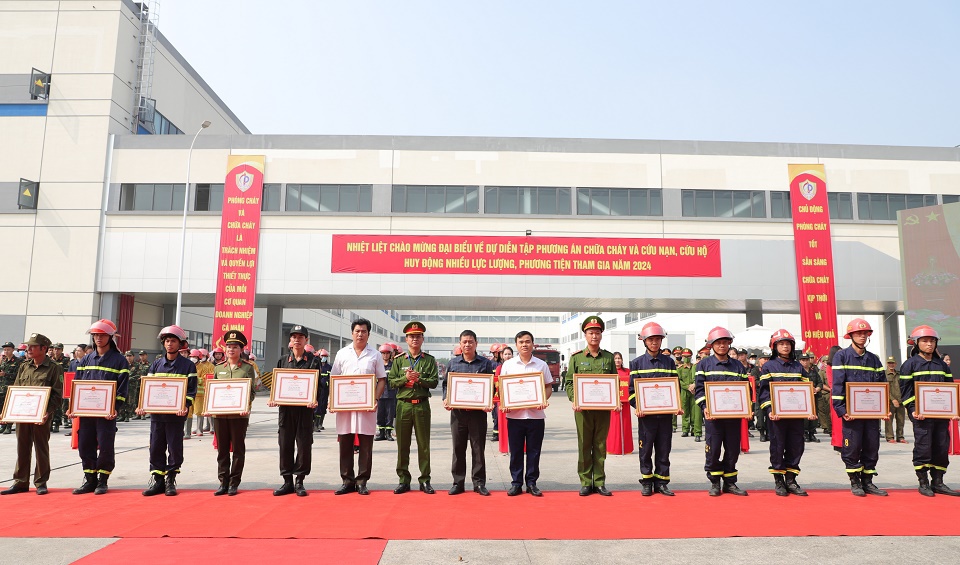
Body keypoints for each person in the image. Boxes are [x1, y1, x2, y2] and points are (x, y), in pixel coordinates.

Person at [70, 320, 129, 495]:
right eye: (95, 335)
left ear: (110, 337)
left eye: (102, 335)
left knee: (105, 446)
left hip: (107, 414)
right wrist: (73, 406)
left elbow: (122, 387)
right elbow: (77, 384)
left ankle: (102, 480)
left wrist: (115, 407)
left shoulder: (119, 361)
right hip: (86, 412)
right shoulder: (86, 359)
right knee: (85, 444)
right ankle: (89, 480)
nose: (98, 338)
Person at [899, 325, 959, 497]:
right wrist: (913, 410)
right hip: (921, 416)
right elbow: (906, 392)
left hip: (941, 417)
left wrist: (954, 409)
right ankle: (923, 482)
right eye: (925, 341)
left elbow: (950, 389)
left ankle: (938, 482)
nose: (929, 344)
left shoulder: (942, 365)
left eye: (932, 341)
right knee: (923, 448)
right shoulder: (909, 365)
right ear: (916, 343)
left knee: (941, 447)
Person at [329, 319, 387, 496]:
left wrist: (375, 399)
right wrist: (332, 401)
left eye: (363, 331)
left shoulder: (375, 355)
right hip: (345, 408)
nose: (360, 334)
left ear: (368, 334)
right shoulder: (342, 353)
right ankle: (347, 481)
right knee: (345, 443)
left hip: (366, 407)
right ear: (352, 333)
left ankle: (362, 481)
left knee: (366, 444)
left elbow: (382, 379)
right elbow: (334, 378)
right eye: (357, 331)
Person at [0, 333, 63, 495]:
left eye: (33, 346)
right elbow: (17, 390)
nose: (29, 349)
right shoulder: (24, 366)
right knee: (22, 447)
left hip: (41, 417)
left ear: (44, 348)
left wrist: (47, 413)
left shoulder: (54, 368)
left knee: (41, 448)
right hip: (23, 415)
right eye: (28, 346)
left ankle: (41, 482)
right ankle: (20, 482)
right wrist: (7, 412)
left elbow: (57, 395)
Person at [831, 318, 888, 497]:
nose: (862, 336)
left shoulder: (874, 359)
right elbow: (838, 385)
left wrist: (884, 408)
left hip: (871, 414)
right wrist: (841, 410)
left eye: (865, 333)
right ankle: (855, 481)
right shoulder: (842, 356)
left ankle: (868, 481)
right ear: (851, 336)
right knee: (853, 447)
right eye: (858, 333)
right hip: (851, 414)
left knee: (872, 446)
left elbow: (882, 385)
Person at [139, 325, 197, 496]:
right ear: (163, 344)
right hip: (157, 416)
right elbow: (147, 389)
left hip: (176, 417)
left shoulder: (188, 366)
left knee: (174, 448)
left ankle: (170, 480)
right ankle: (158, 481)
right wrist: (143, 404)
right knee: (155, 447)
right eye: (167, 341)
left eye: (173, 341)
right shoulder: (156, 364)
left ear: (180, 344)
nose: (170, 344)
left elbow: (192, 390)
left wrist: (185, 406)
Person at [759, 330, 817, 496]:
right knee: (777, 447)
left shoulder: (798, 367)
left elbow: (807, 390)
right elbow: (764, 391)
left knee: (796, 446)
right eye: (781, 344)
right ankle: (779, 481)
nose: (785, 346)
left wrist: (810, 410)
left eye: (788, 344)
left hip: (796, 416)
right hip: (777, 417)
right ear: (775, 347)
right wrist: (770, 410)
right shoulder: (769, 366)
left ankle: (791, 480)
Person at [565, 317, 617, 496]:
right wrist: (575, 400)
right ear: (585, 335)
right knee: (584, 444)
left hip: (603, 410)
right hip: (583, 411)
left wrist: (615, 400)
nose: (594, 336)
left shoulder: (609, 358)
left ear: (601, 335)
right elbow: (570, 382)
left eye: (597, 332)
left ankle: (600, 481)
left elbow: (614, 383)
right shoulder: (577, 358)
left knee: (601, 445)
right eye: (590, 333)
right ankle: (586, 481)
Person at [694, 326, 749, 496]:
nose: (722, 346)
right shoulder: (703, 365)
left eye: (725, 342)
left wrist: (746, 407)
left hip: (733, 417)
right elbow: (699, 390)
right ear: (711, 345)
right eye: (719, 343)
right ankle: (715, 482)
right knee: (714, 449)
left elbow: (746, 388)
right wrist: (705, 407)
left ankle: (730, 482)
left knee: (732, 449)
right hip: (713, 417)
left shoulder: (738, 366)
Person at [269, 325, 321, 496]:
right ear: (290, 340)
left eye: (301, 337)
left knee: (304, 445)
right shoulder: (283, 360)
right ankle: (287, 481)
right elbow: (276, 385)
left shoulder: (314, 361)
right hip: (286, 411)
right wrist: (273, 398)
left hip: (305, 411)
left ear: (306, 340)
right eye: (294, 337)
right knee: (285, 445)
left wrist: (315, 400)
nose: (297, 339)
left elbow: (319, 386)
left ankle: (300, 481)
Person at [628, 321, 680, 496]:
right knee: (646, 448)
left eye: (658, 339)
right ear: (644, 341)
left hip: (665, 416)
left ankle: (662, 482)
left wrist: (677, 405)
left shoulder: (669, 363)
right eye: (651, 339)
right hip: (646, 417)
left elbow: (675, 387)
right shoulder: (636, 363)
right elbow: (631, 391)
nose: (654, 343)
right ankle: (647, 481)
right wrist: (638, 406)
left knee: (664, 448)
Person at [388, 321, 439, 494]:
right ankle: (403, 479)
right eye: (411, 336)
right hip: (403, 406)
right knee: (403, 444)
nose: (415, 339)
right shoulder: (398, 360)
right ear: (406, 339)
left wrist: (419, 380)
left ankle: (425, 479)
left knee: (423, 445)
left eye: (418, 336)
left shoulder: (429, 360)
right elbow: (391, 382)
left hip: (422, 406)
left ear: (422, 339)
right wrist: (405, 378)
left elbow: (434, 382)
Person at [500, 330, 553, 497]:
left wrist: (543, 399)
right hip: (515, 416)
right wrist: (505, 403)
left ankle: (531, 483)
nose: (524, 344)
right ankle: (516, 483)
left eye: (528, 341)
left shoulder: (541, 365)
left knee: (534, 451)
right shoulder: (508, 365)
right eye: (521, 342)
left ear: (533, 344)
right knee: (515, 451)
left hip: (536, 416)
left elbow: (548, 386)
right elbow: (502, 388)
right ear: (516, 345)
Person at [443, 330, 496, 496]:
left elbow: (491, 386)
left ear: (476, 344)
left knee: (478, 448)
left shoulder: (485, 363)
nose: (467, 344)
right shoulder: (453, 363)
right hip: (458, 414)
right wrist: (446, 399)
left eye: (470, 341)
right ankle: (458, 483)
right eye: (464, 341)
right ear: (460, 344)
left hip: (478, 414)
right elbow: (446, 385)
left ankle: (479, 483)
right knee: (458, 448)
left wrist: (488, 402)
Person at [206, 330, 255, 496]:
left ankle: (234, 482)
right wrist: (209, 407)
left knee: (238, 450)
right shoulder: (219, 369)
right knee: (222, 450)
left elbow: (252, 392)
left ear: (241, 350)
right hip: (220, 416)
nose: (231, 350)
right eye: (228, 347)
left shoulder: (247, 368)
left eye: (235, 347)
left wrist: (246, 406)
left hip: (239, 416)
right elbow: (213, 391)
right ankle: (223, 482)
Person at [607, 351, 634, 454]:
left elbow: (631, 385)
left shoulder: (628, 372)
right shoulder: (609, 372)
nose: (617, 360)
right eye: (615, 358)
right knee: (613, 426)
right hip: (613, 404)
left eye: (619, 358)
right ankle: (612, 448)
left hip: (625, 404)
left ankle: (626, 448)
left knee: (625, 425)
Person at [677, 348, 701, 442]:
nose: (686, 358)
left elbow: (697, 377)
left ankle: (696, 431)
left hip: (695, 391)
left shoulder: (695, 367)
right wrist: (688, 387)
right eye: (684, 356)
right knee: (685, 411)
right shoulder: (680, 369)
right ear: (682, 357)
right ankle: (685, 429)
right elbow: (679, 381)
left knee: (696, 412)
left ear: (691, 357)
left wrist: (694, 385)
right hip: (685, 391)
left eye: (688, 356)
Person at [375, 343, 397, 441]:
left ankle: (388, 433)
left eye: (387, 353)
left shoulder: (394, 366)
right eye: (383, 353)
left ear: (390, 354)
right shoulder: (377, 366)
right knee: (380, 414)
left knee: (390, 414)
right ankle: (381, 433)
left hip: (391, 393)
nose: (385, 355)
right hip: (380, 394)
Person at [0, 341, 23, 435]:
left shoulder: (18, 361)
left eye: (8, 349)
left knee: (9, 408)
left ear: (13, 350)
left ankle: (9, 426)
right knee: (2, 408)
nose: (6, 351)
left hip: (11, 388)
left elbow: (18, 375)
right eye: (5, 350)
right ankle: (3, 425)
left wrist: (5, 374)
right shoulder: (3, 361)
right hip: (2, 388)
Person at [799, 352, 822, 443]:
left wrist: (817, 389)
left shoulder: (813, 372)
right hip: (803, 398)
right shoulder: (798, 373)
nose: (805, 362)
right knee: (805, 417)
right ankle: (804, 434)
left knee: (815, 414)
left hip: (814, 396)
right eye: (803, 360)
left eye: (807, 360)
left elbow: (820, 382)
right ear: (800, 361)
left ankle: (812, 433)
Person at [884, 355, 906, 444]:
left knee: (901, 420)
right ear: (887, 364)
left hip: (900, 400)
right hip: (889, 401)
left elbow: (903, 387)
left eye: (892, 363)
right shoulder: (884, 375)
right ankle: (890, 437)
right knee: (889, 420)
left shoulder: (899, 374)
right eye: (889, 363)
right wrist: (892, 399)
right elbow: (885, 388)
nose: (891, 365)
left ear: (895, 364)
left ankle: (900, 437)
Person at [194, 350, 216, 436]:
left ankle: (211, 427)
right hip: (193, 393)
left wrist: (196, 380)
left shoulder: (209, 366)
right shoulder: (190, 365)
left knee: (205, 410)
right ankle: (197, 428)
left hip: (204, 391)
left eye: (203, 355)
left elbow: (207, 378)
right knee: (195, 411)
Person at [316, 348, 331, 432]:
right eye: (323, 356)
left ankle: (320, 424)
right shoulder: (317, 365)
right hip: (318, 389)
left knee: (323, 406)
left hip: (325, 390)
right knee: (318, 407)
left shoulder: (329, 367)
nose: (324, 358)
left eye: (325, 356)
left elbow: (331, 378)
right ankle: (315, 424)